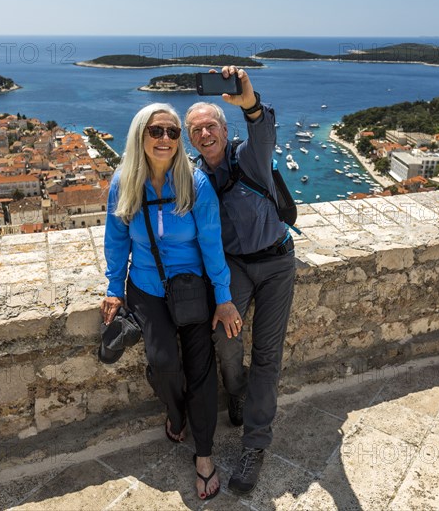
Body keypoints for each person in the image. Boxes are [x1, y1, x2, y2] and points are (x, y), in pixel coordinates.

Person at [101, 103, 242, 500]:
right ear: (140, 135)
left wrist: (224, 298)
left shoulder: (195, 184)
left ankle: (204, 456)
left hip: (194, 288)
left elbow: (212, 245)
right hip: (146, 287)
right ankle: (175, 412)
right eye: (156, 131)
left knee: (200, 370)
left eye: (173, 132)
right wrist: (114, 286)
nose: (165, 139)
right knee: (163, 362)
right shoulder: (124, 182)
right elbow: (116, 239)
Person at [185, 66, 296, 495]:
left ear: (223, 127)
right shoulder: (194, 177)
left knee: (267, 355)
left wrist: (247, 98)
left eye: (211, 125)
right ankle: (236, 390)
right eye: (196, 129)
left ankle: (255, 445)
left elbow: (262, 126)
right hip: (233, 266)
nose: (205, 133)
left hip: (276, 263)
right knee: (226, 340)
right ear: (190, 137)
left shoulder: (249, 155)